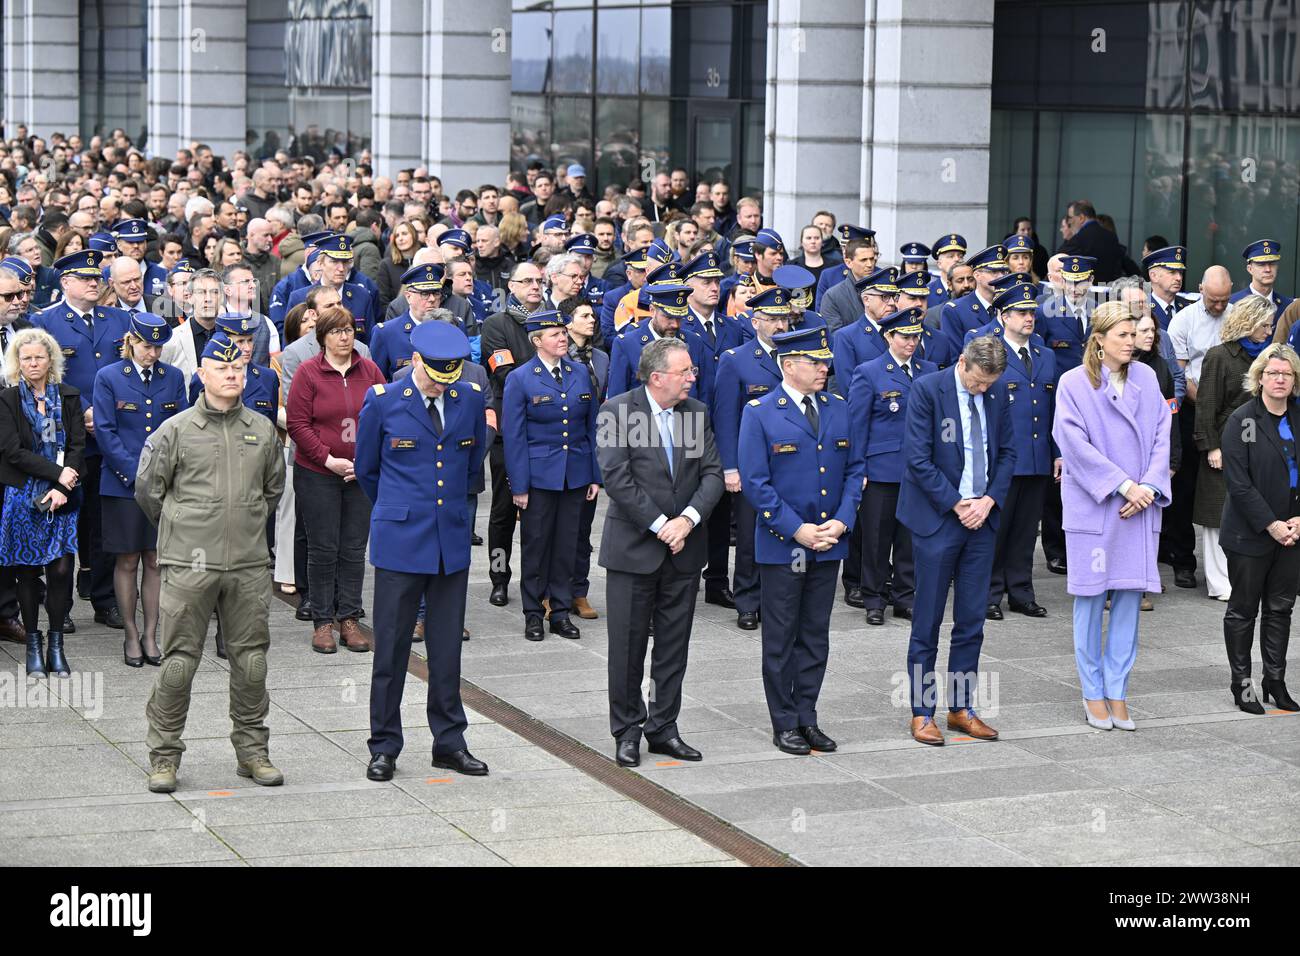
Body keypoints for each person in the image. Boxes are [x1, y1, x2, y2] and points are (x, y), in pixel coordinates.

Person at [137, 333, 287, 793]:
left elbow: (273, 489)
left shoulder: (261, 429)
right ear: (201, 374)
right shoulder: (176, 430)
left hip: (246, 565)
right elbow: (148, 491)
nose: (232, 375)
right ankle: (164, 757)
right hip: (189, 565)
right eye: (222, 369)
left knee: (252, 662)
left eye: (239, 369)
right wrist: (186, 527)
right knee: (179, 662)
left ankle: (252, 751)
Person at [356, 322, 490, 780]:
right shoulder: (382, 401)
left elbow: (472, 468)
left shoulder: (468, 398)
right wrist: (400, 512)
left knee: (447, 650)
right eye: (435, 375)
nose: (441, 384)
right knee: (390, 649)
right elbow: (367, 470)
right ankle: (384, 745)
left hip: (449, 542)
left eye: (449, 376)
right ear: (415, 361)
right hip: (400, 542)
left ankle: (449, 741)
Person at [596, 337, 724, 767]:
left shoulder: (694, 413)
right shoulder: (619, 411)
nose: (693, 377)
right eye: (684, 371)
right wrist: (660, 525)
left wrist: (686, 521)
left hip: (683, 549)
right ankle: (627, 729)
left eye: (691, 371)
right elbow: (617, 478)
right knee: (628, 646)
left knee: (674, 646)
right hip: (635, 549)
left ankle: (664, 728)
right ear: (656, 378)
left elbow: (710, 474)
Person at [739, 325, 862, 754]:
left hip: (829, 541)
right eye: (815, 362)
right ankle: (784, 720)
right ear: (789, 366)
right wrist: (798, 530)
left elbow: (853, 470)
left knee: (815, 633)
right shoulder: (760, 412)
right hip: (784, 544)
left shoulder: (838, 407)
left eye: (825, 361)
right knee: (781, 635)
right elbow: (756, 484)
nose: (824, 368)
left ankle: (808, 716)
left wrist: (843, 521)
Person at [1053, 301, 1171, 732]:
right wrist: (1125, 485)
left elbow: (1163, 434)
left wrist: (1152, 487)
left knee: (1127, 602)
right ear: (1099, 339)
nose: (1132, 340)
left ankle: (1118, 690)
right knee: (1089, 601)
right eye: (1123, 334)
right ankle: (1092, 691)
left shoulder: (1146, 377)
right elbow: (1073, 444)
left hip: (1139, 507)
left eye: (1134, 332)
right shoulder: (1073, 383)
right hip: (1099, 505)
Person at [898, 336, 1016, 746]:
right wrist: (956, 504)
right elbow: (917, 458)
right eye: (978, 382)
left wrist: (988, 500)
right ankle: (921, 711)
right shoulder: (928, 389)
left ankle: (961, 708)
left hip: (981, 519)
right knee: (926, 621)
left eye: (990, 384)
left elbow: (1007, 453)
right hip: (938, 520)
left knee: (971, 621)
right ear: (962, 362)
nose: (983, 390)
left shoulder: (997, 393)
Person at [33, 248, 133, 631]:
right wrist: (86, 410)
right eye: (86, 278)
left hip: (112, 437)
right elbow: (48, 376)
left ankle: (105, 599)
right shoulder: (46, 323)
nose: (95, 282)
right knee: (65, 519)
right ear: (65, 283)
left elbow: (128, 367)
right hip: (69, 438)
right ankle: (61, 604)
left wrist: (103, 413)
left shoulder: (119, 318)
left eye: (97, 277)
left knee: (105, 520)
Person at [285, 305, 386, 654]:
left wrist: (365, 461)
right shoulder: (308, 373)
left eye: (349, 330)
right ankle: (323, 622)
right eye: (336, 331)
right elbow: (298, 424)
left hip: (360, 474)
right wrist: (327, 459)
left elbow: (384, 417)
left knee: (354, 549)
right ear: (322, 337)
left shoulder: (370, 370)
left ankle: (350, 619)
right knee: (323, 548)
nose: (344, 337)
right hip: (317, 473)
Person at [93, 313, 188, 668]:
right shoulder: (110, 377)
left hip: (164, 484)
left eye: (158, 347)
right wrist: (137, 477)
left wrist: (164, 477)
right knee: (127, 558)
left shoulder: (173, 377)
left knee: (155, 559)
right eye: (147, 346)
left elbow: (181, 427)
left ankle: (151, 632)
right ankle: (131, 632)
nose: (153, 353)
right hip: (123, 484)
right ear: (132, 342)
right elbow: (105, 431)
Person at [502, 310, 601, 641]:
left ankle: (559, 611)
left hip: (575, 473)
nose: (562, 338)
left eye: (563, 332)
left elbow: (591, 427)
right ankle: (533, 612)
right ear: (536, 340)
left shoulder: (579, 373)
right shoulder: (520, 378)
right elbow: (514, 437)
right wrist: (519, 485)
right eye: (555, 333)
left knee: (566, 546)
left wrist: (594, 475)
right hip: (539, 476)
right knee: (537, 545)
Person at [1219, 343, 1300, 714]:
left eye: (1286, 373)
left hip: (1293, 535)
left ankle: (1275, 681)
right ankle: (1242, 685)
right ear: (1260, 377)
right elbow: (1239, 483)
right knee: (1244, 609)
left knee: (1280, 609)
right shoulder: (1244, 420)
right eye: (1273, 373)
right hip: (1250, 533)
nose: (1280, 379)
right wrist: (1271, 524)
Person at [0, 328, 85, 676]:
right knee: (26, 571)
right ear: (18, 362)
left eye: (39, 357)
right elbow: (11, 451)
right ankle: (33, 643)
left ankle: (55, 643)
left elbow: (78, 445)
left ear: (51, 360)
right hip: (23, 496)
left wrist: (64, 485)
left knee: (62, 568)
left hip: (62, 495)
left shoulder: (68, 396)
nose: (33, 363)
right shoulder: (7, 399)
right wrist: (57, 472)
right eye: (26, 358)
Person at [847, 307, 935, 625]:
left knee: (910, 538)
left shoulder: (928, 369)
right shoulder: (869, 372)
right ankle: (873, 597)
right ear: (889, 337)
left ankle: (904, 596)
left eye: (915, 336)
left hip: (918, 469)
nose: (911, 343)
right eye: (905, 336)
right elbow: (858, 424)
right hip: (881, 468)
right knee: (875, 537)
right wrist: (859, 469)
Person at [712, 287, 791, 630]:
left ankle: (777, 599)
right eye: (772, 319)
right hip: (752, 464)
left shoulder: (797, 355)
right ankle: (747, 600)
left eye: (784, 318)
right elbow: (725, 417)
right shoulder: (736, 358)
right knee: (748, 535)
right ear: (755, 321)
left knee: (785, 530)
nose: (779, 325)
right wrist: (730, 466)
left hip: (790, 461)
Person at [980, 283, 1060, 620]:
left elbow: (1055, 408)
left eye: (1032, 313)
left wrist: (1057, 452)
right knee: (997, 529)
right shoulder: (990, 353)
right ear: (1003, 316)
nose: (1030, 318)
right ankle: (989, 594)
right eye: (1022, 313)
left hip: (1038, 456)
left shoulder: (1046, 354)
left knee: (1027, 531)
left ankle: (1021, 592)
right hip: (1003, 459)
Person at [1195, 294, 1273, 601]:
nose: (1269, 331)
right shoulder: (1220, 355)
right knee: (1217, 516)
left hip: (1257, 446)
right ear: (1250, 322)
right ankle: (1219, 583)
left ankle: (1244, 579)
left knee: (1249, 511)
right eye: (1265, 325)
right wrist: (1211, 448)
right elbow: (1205, 406)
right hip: (1224, 446)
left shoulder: (1267, 357)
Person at [481, 261, 547, 607]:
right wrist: (548, 385)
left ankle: (538, 580)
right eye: (527, 281)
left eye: (539, 280)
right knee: (503, 512)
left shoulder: (553, 320)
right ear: (512, 286)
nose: (535, 286)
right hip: (510, 430)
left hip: (547, 431)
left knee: (543, 513)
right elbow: (506, 372)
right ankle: (499, 576)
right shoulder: (496, 324)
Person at [1165, 264, 1232, 589]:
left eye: (1224, 300)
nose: (1219, 307)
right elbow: (1181, 374)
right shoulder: (1185, 320)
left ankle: (1224, 567)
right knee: (1186, 487)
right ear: (1201, 289)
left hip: (1230, 412)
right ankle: (1183, 561)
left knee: (1222, 490)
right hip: (1193, 410)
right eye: (1213, 300)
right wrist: (1206, 404)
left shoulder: (1235, 315)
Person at [558, 294, 608, 621]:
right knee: (557, 530)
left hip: (593, 447)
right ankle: (554, 591)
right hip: (563, 448)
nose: (592, 320)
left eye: (593, 315)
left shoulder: (601, 358)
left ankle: (580, 591)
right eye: (585, 315)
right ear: (567, 322)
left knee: (583, 530)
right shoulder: (559, 356)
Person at [1057, 200, 1125, 281]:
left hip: (1084, 290)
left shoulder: (1079, 239)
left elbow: (1059, 261)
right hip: (1107, 290)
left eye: (1070, 218)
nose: (1069, 222)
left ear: (1081, 218)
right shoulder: (1111, 236)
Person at [1230, 239, 1292, 320]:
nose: (1268, 269)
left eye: (1272, 264)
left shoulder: (1287, 305)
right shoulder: (1233, 303)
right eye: (1261, 264)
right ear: (1250, 269)